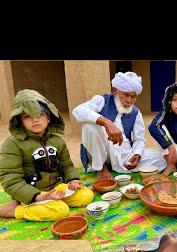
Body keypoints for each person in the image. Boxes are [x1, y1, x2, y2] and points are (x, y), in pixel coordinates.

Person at [0, 89, 95, 222]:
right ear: (20, 121)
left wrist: (73, 180)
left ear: (49, 118)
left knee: (86, 196)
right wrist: (40, 197)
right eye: (27, 116)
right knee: (61, 211)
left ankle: (54, 202)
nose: (35, 120)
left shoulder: (57, 141)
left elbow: (67, 166)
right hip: (32, 193)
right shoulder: (12, 144)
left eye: (40, 115)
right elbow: (11, 180)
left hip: (57, 188)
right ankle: (16, 209)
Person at [72, 71, 167, 180]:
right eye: (126, 95)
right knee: (90, 126)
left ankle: (116, 166)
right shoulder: (102, 100)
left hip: (123, 155)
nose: (129, 101)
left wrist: (137, 154)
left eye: (133, 96)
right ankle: (101, 168)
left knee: (161, 159)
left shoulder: (136, 113)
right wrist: (106, 123)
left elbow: (139, 140)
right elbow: (78, 111)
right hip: (100, 151)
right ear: (115, 91)